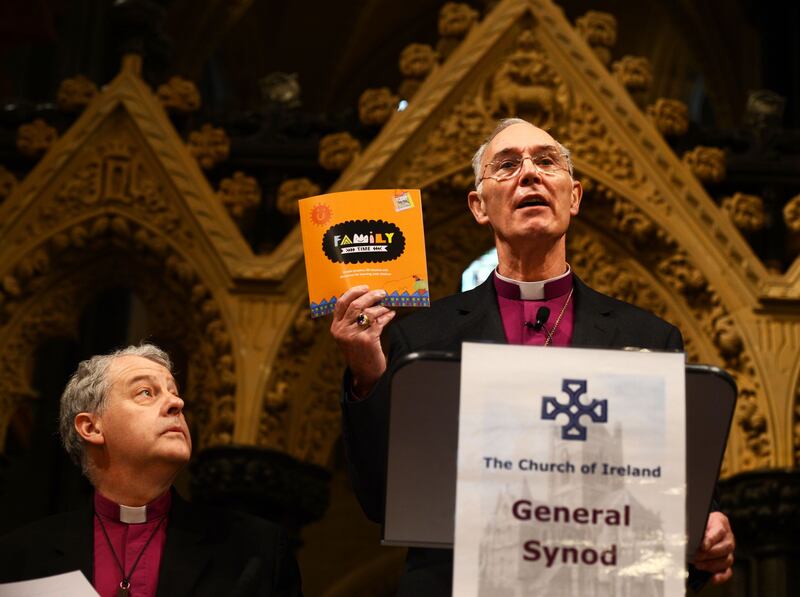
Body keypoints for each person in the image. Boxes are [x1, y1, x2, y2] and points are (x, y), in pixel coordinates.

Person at [331, 118, 734, 595]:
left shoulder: (647, 336)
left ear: (575, 196)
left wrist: (710, 526)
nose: (529, 174)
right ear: (479, 206)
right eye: (506, 166)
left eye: (546, 162)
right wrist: (367, 372)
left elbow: (675, 490)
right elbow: (383, 499)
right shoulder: (419, 336)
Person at [0, 344, 302, 597]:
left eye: (174, 392)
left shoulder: (255, 549)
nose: (176, 402)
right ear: (91, 427)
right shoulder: (21, 558)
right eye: (146, 392)